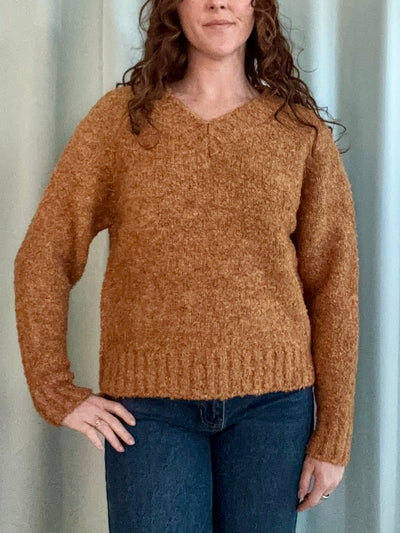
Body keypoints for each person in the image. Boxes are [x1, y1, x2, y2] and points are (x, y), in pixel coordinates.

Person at [13, 0, 360, 531]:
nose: (219, 3)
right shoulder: (122, 123)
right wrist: (55, 390)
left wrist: (332, 435)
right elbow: (44, 253)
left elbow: (334, 285)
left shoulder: (298, 132)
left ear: (258, 8)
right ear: (174, 7)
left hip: (274, 411)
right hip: (148, 413)